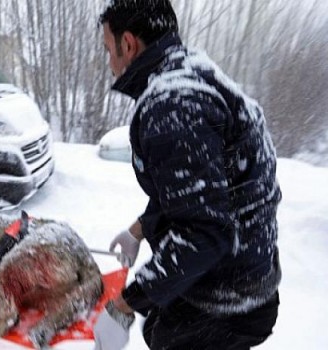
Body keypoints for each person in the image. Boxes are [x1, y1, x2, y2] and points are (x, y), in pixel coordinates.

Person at [95, 1, 282, 349]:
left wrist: (123, 306)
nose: (110, 63)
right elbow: (200, 189)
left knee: (161, 332)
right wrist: (140, 229)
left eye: (110, 50)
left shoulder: (173, 105)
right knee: (157, 324)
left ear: (129, 44)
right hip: (247, 276)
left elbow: (204, 233)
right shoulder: (191, 73)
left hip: (225, 300)